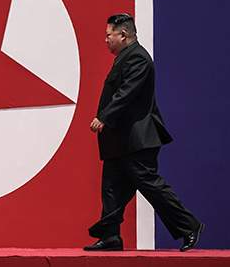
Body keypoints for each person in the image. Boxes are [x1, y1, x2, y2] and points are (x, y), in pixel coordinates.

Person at [85, 13, 204, 252]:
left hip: (137, 139)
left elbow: (127, 93)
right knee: (111, 186)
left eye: (109, 35)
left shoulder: (138, 58)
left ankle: (189, 226)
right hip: (121, 140)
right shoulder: (125, 58)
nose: (105, 40)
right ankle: (110, 237)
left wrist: (104, 116)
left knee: (150, 185)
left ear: (123, 34)